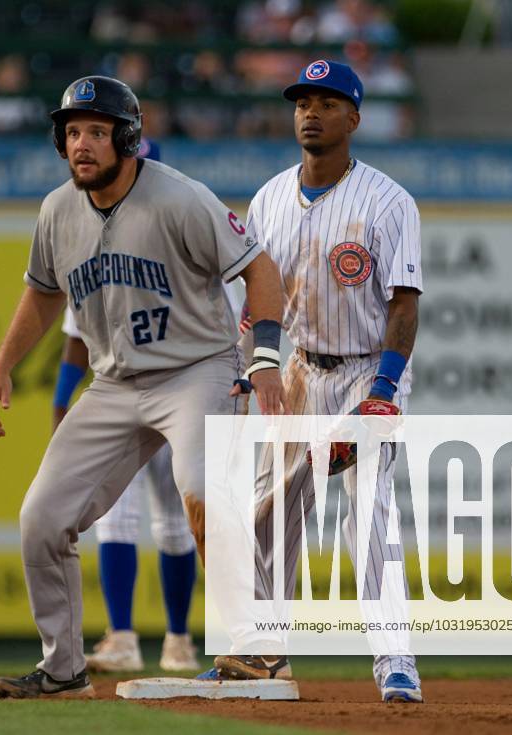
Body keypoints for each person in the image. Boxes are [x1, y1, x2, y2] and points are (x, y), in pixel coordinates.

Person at [0, 75, 287, 699]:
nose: (82, 145)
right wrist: (1, 363)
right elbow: (43, 294)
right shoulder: (56, 210)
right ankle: (64, 669)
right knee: (41, 517)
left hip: (198, 369)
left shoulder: (179, 198)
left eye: (96, 130)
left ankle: (260, 651)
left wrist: (264, 357)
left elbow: (260, 267)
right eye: (71, 132)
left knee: (200, 490)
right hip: (115, 382)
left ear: (126, 136)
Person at [206, 59, 424, 704]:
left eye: (328, 103)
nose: (311, 112)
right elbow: (260, 302)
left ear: (354, 118)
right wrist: (254, 366)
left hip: (364, 373)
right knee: (267, 515)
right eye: (303, 101)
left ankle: (395, 662)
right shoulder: (270, 198)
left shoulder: (388, 201)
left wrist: (383, 392)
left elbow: (404, 303)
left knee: (368, 515)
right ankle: (261, 654)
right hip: (298, 370)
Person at [53, 309, 199, 673]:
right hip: (114, 400)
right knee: (116, 518)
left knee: (175, 524)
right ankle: (122, 638)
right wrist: (59, 401)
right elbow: (76, 337)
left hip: (175, 396)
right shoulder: (91, 257)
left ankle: (178, 640)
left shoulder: (183, 256)